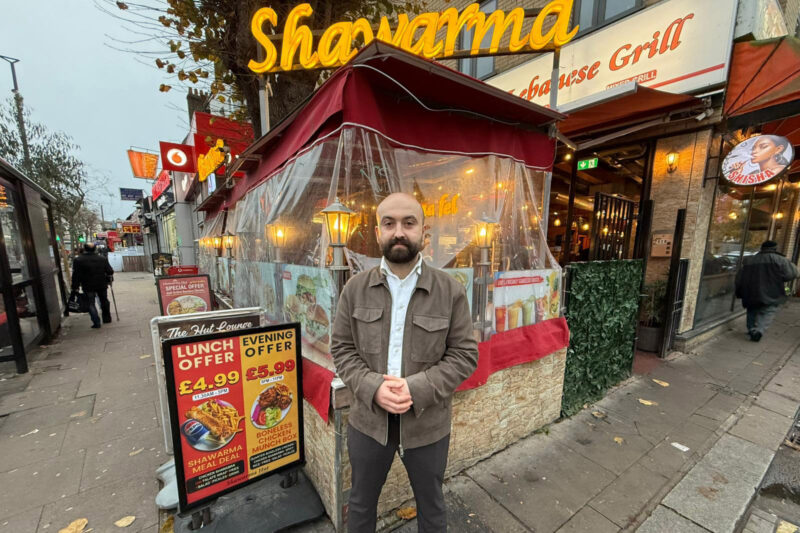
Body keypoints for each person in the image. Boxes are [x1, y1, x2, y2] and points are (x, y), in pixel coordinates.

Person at [332, 193, 478, 532]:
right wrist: (373, 387)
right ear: (377, 231)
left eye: (408, 223)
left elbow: (464, 354)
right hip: (368, 421)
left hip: (428, 423)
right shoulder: (354, 289)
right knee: (361, 505)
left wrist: (416, 388)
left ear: (424, 232)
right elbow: (341, 349)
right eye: (390, 223)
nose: (399, 232)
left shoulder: (449, 291)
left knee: (431, 507)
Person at [735, 240, 798, 341]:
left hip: (751, 291)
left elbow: (739, 278)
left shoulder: (750, 260)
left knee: (752, 309)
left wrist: (739, 290)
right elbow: (792, 274)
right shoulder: (781, 260)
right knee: (768, 311)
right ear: (775, 248)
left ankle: (751, 329)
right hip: (772, 290)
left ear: (762, 248)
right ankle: (759, 330)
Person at [71, 242, 114, 328]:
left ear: (84, 249)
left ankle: (96, 322)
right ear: (95, 249)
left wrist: (75, 286)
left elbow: (76, 275)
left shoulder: (78, 260)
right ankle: (107, 318)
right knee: (104, 300)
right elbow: (110, 271)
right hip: (101, 284)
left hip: (87, 285)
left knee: (90, 303)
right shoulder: (102, 258)